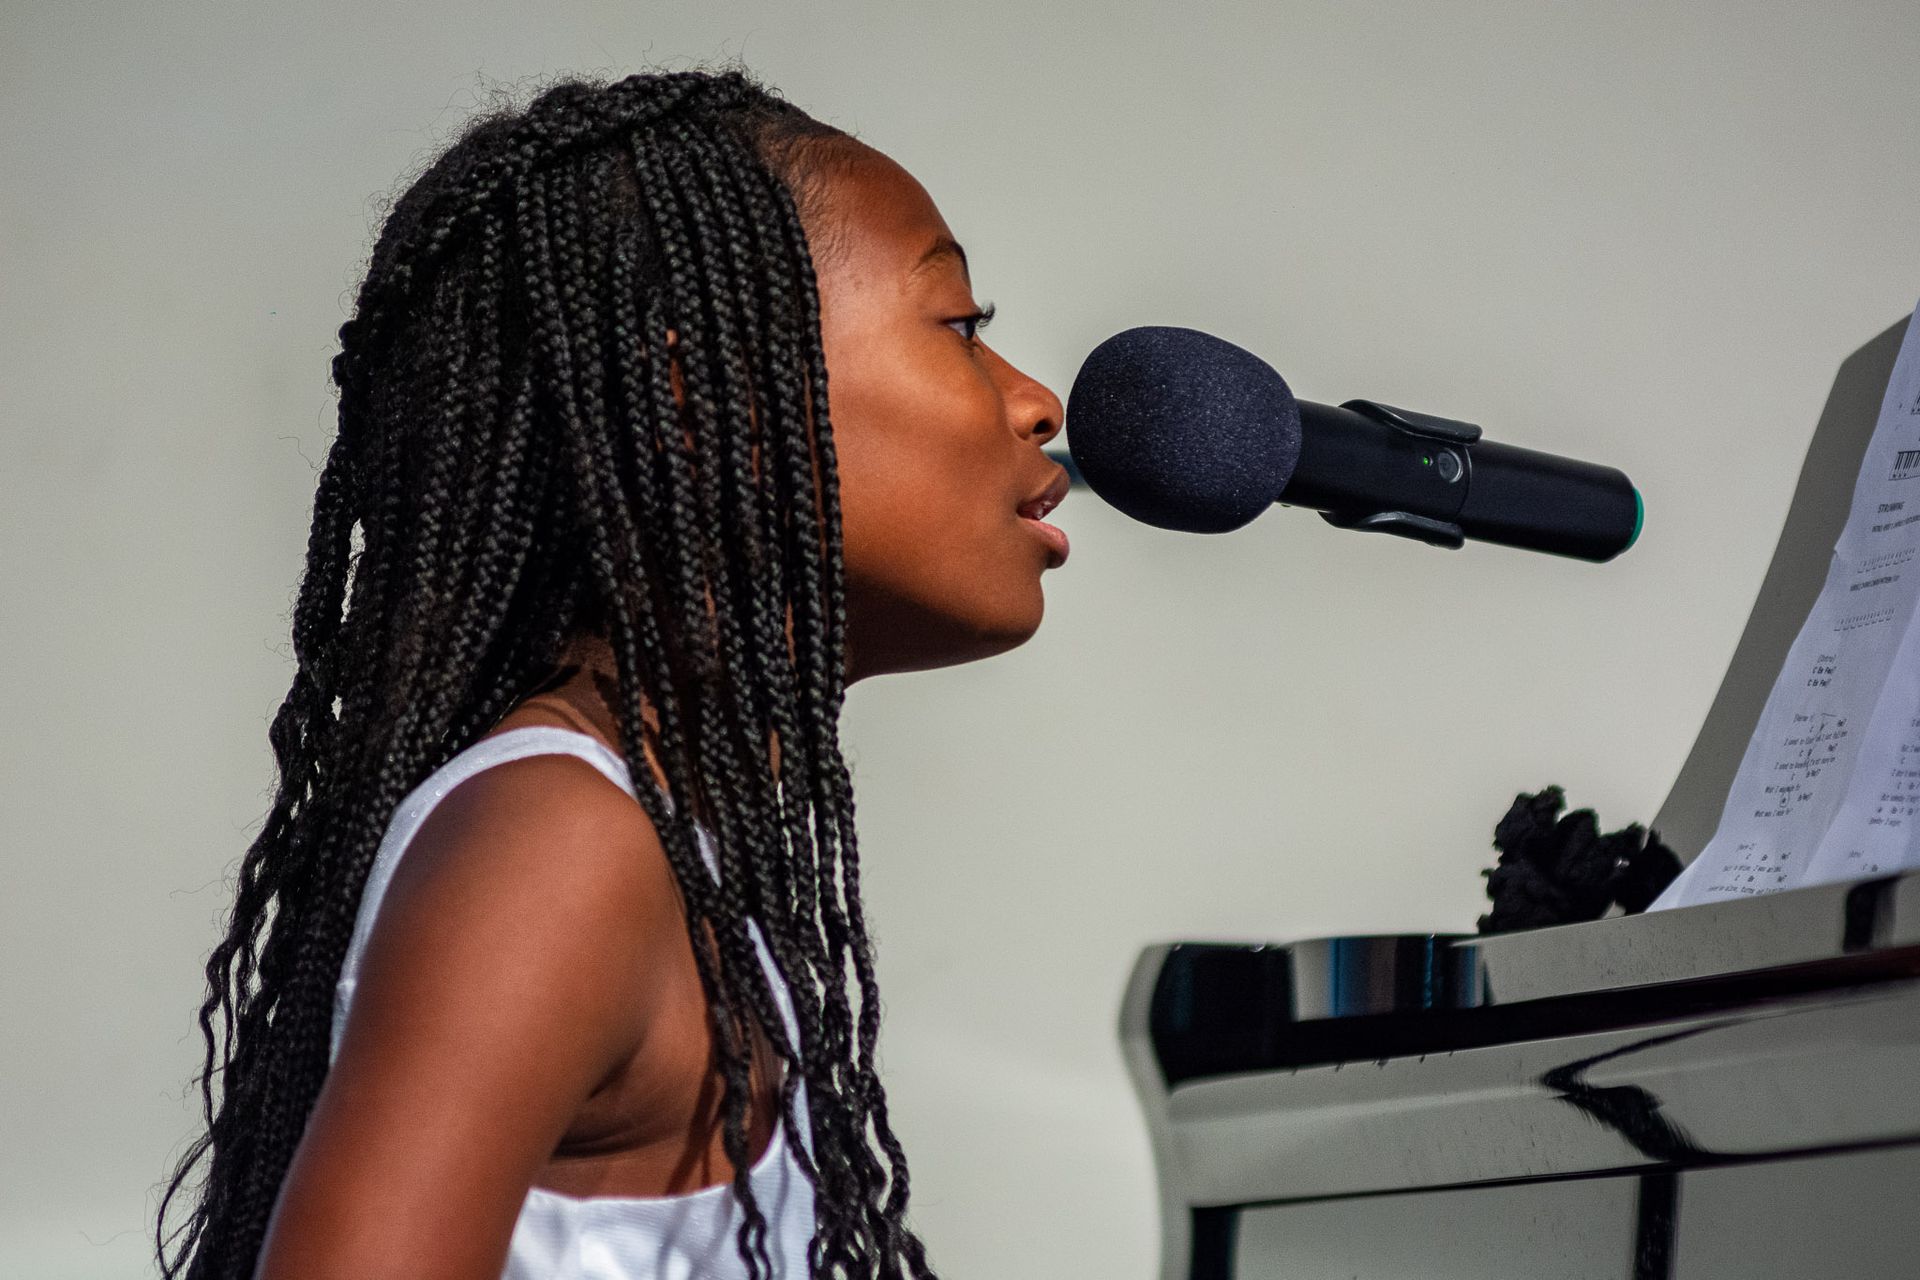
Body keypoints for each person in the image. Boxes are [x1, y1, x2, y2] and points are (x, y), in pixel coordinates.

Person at [155, 65, 1069, 1280]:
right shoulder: (562, 845)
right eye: (960, 326)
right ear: (707, 390)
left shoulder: (671, 850)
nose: (1037, 401)